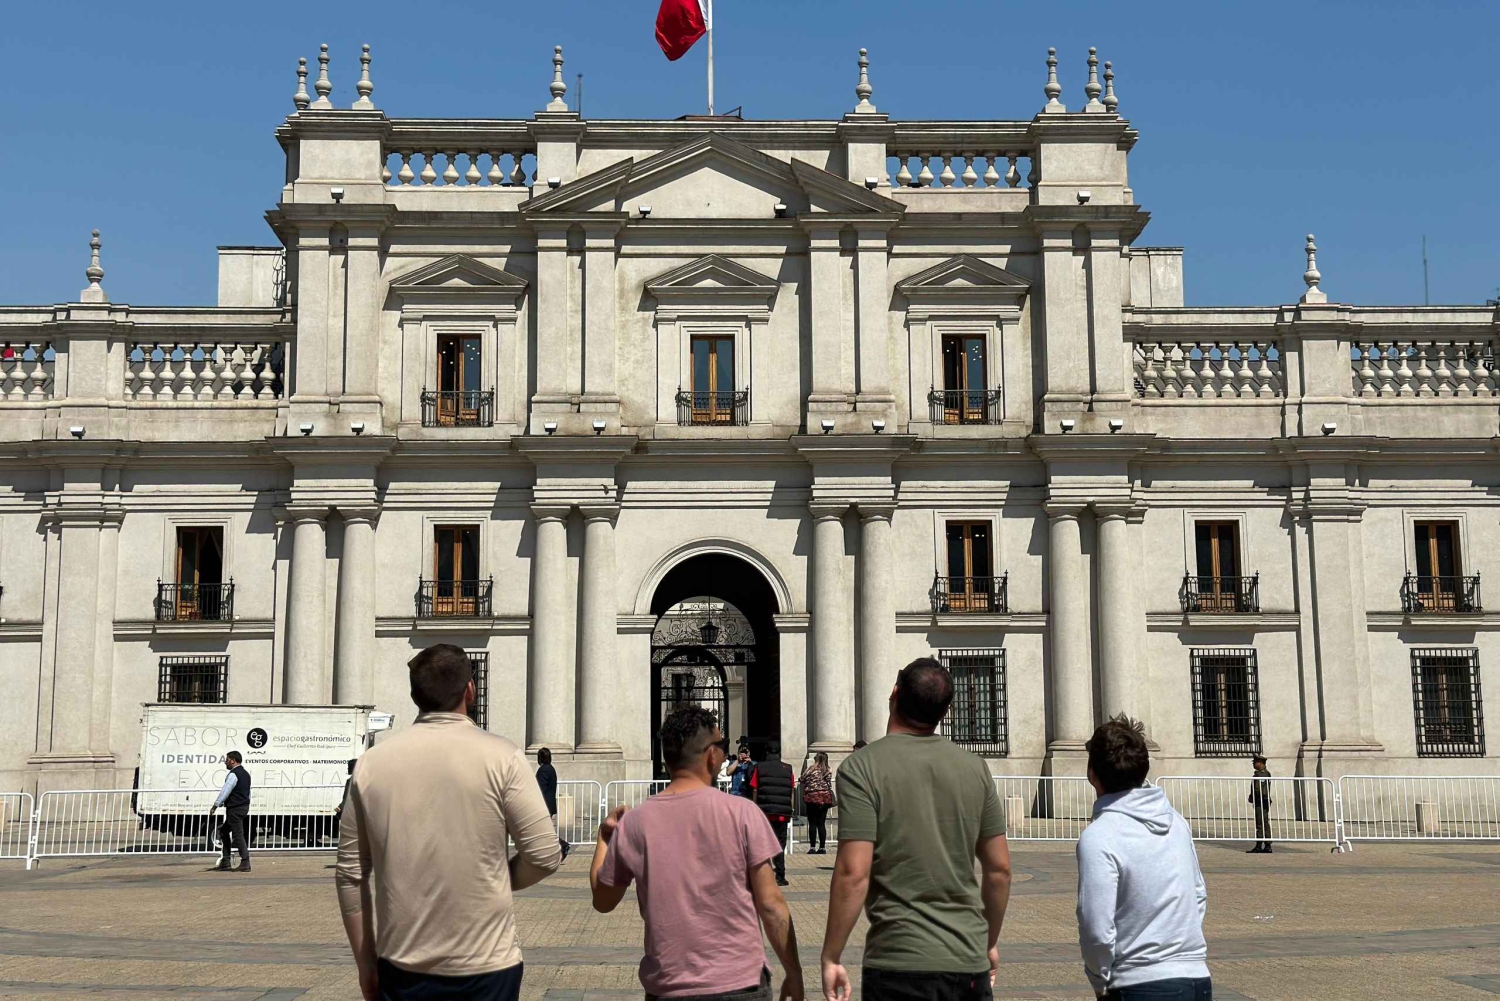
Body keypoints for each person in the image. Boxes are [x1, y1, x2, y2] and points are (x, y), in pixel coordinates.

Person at [336, 643, 561, 1001]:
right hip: (488, 964)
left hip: (402, 964)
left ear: (414, 696)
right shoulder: (502, 756)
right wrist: (497, 878)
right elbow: (545, 855)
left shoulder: (371, 764)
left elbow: (350, 874)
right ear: (470, 690)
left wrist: (366, 965)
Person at [821, 658, 1012, 1001]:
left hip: (898, 960)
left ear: (894, 693)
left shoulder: (860, 769)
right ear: (945, 711)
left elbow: (853, 873)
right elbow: (999, 870)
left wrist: (832, 954)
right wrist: (989, 941)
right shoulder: (975, 768)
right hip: (968, 960)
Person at [591, 706, 803, 1001]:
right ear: (711, 755)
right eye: (722, 745)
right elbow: (771, 905)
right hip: (741, 984)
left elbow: (602, 900)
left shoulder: (636, 823)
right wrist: (794, 973)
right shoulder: (742, 813)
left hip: (669, 986)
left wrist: (604, 838)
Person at [1076, 714, 1210, 1001]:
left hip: (1140, 982)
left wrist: (1099, 980)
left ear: (1092, 773)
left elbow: (1096, 925)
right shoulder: (1176, 822)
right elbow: (1198, 894)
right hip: (1196, 976)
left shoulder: (1100, 836)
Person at [750, 741, 796, 887]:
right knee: (780, 845)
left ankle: (765, 875)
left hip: (765, 812)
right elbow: (791, 791)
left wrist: (755, 808)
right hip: (782, 812)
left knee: (763, 844)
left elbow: (755, 789)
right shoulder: (788, 769)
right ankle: (780, 876)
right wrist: (790, 809)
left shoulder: (760, 767)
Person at [209, 750, 252, 873]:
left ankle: (245, 862)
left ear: (233, 760)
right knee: (223, 831)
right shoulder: (245, 774)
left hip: (235, 808)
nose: (225, 762)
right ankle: (226, 861)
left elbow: (225, 791)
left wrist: (215, 805)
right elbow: (248, 793)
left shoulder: (234, 774)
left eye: (227, 760)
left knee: (238, 834)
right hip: (243, 807)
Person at [536, 747, 570, 862]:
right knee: (544, 830)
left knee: (543, 831)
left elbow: (540, 789)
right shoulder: (550, 768)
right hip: (548, 804)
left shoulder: (544, 770)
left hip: (544, 804)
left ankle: (562, 845)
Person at [799, 752, 834, 855]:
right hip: (825, 797)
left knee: (812, 823)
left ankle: (812, 847)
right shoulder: (828, 770)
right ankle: (822, 847)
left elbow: (802, 779)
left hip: (812, 797)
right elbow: (829, 782)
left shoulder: (811, 769)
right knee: (821, 823)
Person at [1248, 755, 1273, 854]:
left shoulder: (1262, 774)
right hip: (1261, 800)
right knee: (1264, 822)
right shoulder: (1260, 774)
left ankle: (1261, 845)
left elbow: (1260, 790)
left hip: (1261, 801)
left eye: (1255, 762)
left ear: (1260, 763)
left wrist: (1255, 797)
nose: (1254, 764)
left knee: (1261, 823)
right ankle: (1266, 844)